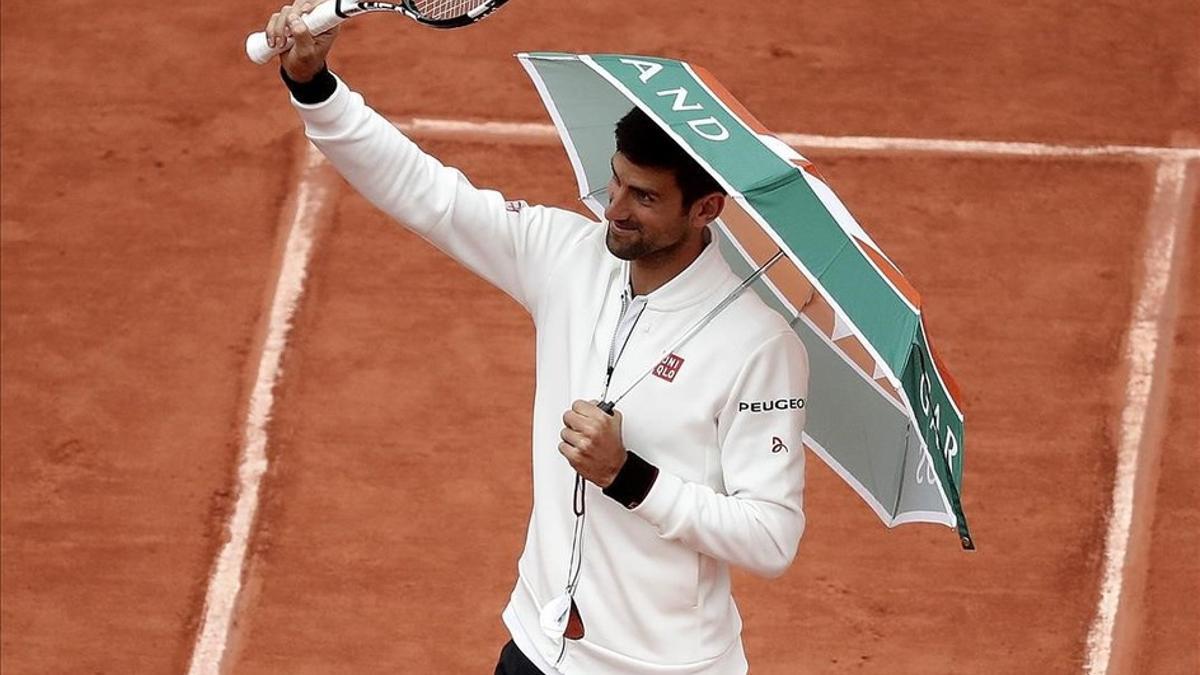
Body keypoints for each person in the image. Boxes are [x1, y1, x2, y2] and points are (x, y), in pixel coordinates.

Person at [265, 5, 809, 673]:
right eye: (616, 180)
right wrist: (315, 85)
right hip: (538, 644)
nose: (613, 209)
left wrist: (628, 476)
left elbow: (771, 538)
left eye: (643, 198)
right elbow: (429, 196)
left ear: (706, 209)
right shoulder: (569, 258)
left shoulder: (757, 345)